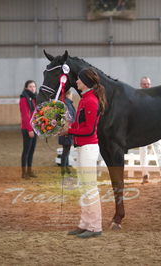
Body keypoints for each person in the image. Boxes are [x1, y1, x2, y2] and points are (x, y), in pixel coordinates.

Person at [60, 68, 106, 238]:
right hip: (82, 147)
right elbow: (82, 126)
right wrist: (68, 127)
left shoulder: (91, 101)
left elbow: (88, 130)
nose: (76, 82)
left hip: (88, 147)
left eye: (78, 80)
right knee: (84, 187)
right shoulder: (85, 99)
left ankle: (95, 226)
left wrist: (69, 131)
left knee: (90, 188)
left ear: (85, 82)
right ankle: (85, 223)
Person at [138, 77, 161, 182]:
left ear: (150, 84)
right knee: (143, 153)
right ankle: (145, 175)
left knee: (159, 152)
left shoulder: (155, 96)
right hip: (142, 129)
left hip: (154, 128)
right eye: (144, 84)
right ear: (141, 85)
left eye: (148, 84)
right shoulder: (137, 97)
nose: (146, 86)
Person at [19, 80, 38, 179]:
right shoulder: (24, 99)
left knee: (31, 151)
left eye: (34, 86)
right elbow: (25, 116)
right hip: (27, 129)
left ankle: (30, 171)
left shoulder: (34, 99)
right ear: (26, 88)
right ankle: (24, 172)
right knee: (26, 151)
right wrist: (30, 129)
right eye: (30, 86)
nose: (33, 88)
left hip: (35, 128)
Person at [58, 90, 76, 176]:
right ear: (68, 94)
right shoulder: (67, 104)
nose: (72, 96)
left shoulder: (66, 103)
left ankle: (66, 167)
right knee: (65, 151)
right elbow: (69, 118)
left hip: (67, 131)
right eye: (72, 94)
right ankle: (63, 169)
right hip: (66, 131)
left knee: (67, 150)